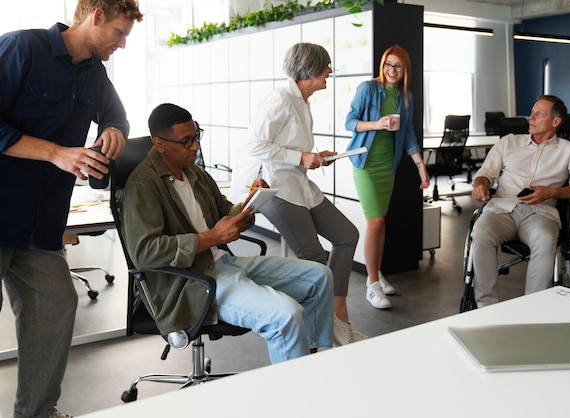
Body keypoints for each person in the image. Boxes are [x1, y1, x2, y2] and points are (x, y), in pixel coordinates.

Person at [0, 1, 143, 417]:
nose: (122, 44)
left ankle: (38, 412)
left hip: (41, 225)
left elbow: (117, 115)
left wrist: (114, 130)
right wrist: (56, 154)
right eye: (119, 33)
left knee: (58, 303)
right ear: (96, 16)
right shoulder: (22, 48)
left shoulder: (96, 75)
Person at [122, 103, 334, 364]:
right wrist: (212, 238)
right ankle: (294, 395)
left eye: (196, 137)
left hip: (223, 263)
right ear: (160, 143)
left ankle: (307, 365)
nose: (195, 147)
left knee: (320, 276)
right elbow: (145, 253)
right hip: (191, 281)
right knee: (285, 315)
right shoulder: (142, 185)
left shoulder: (195, 174)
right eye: (186, 141)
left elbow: (225, 213)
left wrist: (250, 203)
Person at [229, 42, 364, 346]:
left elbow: (290, 147)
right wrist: (300, 157)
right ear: (311, 69)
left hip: (298, 182)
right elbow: (254, 145)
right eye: (326, 66)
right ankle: (324, 330)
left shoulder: (301, 101)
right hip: (274, 186)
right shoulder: (279, 99)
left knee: (346, 235)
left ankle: (336, 310)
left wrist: (314, 156)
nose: (330, 71)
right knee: (314, 258)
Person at [470, 95, 570, 307]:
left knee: (545, 239)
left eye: (539, 114)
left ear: (555, 121)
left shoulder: (569, 150)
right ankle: (485, 307)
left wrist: (550, 193)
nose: (531, 117)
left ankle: (532, 308)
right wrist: (480, 184)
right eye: (532, 112)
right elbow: (485, 173)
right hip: (502, 209)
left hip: (541, 213)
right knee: (480, 232)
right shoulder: (509, 142)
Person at [345, 45, 430, 310]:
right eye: (388, 65)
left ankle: (377, 273)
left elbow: (409, 135)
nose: (392, 71)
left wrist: (420, 166)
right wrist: (377, 124)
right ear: (382, 66)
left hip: (387, 166)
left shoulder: (407, 96)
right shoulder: (368, 88)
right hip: (365, 162)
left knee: (381, 223)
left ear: (405, 70)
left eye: (398, 66)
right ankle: (371, 285)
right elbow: (350, 122)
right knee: (376, 222)